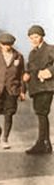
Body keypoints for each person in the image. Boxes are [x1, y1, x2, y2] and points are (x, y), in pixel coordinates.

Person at [0, 33, 26, 149]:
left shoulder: (19, 56)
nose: (7, 47)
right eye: (4, 44)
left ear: (12, 44)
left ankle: (5, 139)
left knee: (9, 114)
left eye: (9, 44)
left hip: (12, 90)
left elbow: (22, 75)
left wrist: (22, 91)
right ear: (0, 45)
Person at [22, 25, 54, 155]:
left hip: (47, 87)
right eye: (31, 38)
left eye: (36, 36)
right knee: (40, 113)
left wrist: (50, 71)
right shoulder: (31, 53)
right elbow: (30, 69)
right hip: (36, 88)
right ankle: (45, 143)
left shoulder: (50, 49)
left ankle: (42, 143)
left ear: (42, 36)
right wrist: (27, 74)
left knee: (42, 113)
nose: (34, 40)